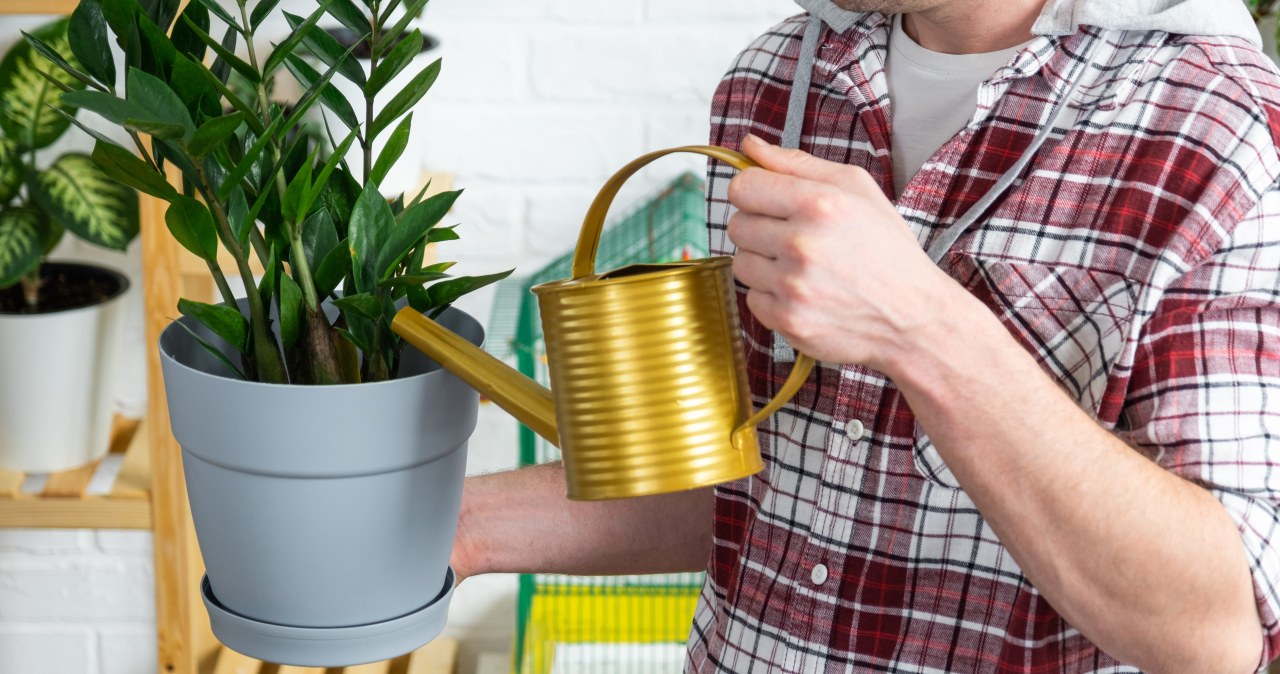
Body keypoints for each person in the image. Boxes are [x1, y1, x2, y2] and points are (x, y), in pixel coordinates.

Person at [452, 0, 1280, 671]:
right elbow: (760, 483)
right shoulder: (776, 79)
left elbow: (1215, 628)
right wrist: (463, 527)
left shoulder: (1223, 130)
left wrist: (919, 325)